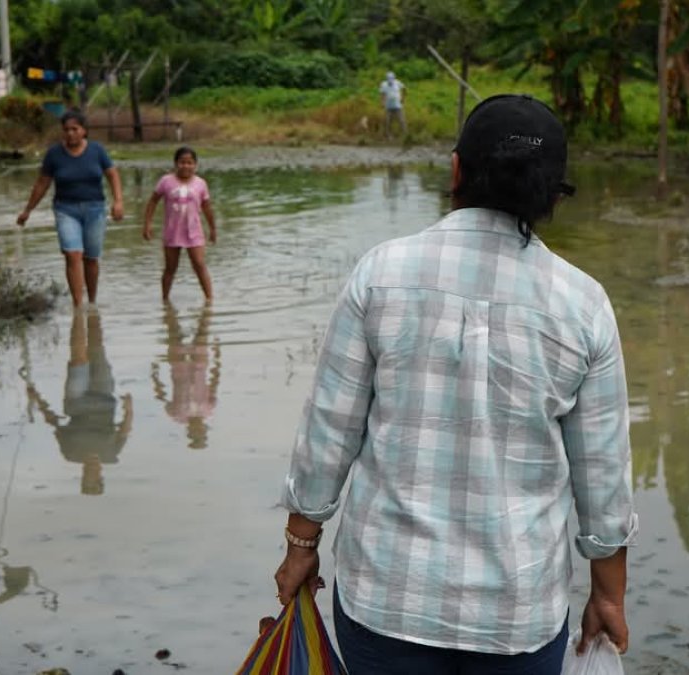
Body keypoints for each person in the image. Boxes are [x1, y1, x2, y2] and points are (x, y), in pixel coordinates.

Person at [273, 95, 638, 674]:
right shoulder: (583, 305)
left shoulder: (380, 274)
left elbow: (329, 431)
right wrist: (609, 596)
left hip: (385, 601)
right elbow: (603, 475)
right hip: (517, 616)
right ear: (552, 194)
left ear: (456, 171)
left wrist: (301, 546)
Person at [17, 110, 124, 308]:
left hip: (95, 209)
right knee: (72, 254)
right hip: (65, 210)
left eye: (75, 129)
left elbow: (113, 175)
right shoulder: (54, 154)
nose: (70, 133)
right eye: (66, 130)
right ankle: (78, 306)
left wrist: (118, 201)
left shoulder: (97, 151)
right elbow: (42, 184)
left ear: (84, 131)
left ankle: (92, 302)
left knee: (91, 258)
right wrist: (27, 210)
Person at [24, 310, 133, 496]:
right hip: (104, 395)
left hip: (76, 400)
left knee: (79, 358)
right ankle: (92, 313)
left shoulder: (70, 453)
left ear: (83, 475)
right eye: (94, 477)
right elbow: (124, 429)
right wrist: (129, 409)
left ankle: (78, 313)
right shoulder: (111, 455)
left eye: (88, 477)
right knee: (97, 346)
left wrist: (37, 399)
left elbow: (54, 423)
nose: (91, 471)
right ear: (101, 475)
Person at [142, 146, 217, 302]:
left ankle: (209, 300)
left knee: (199, 264)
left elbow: (207, 207)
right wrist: (147, 224)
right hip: (172, 231)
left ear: (195, 165)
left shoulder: (200, 183)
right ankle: (165, 300)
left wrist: (212, 228)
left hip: (194, 231)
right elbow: (153, 201)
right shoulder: (166, 181)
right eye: (182, 162)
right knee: (170, 268)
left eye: (190, 163)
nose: (186, 166)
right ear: (176, 163)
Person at [151, 304, 220, 449]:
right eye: (201, 431)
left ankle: (169, 309)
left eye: (197, 432)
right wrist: (217, 359)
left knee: (173, 330)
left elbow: (161, 396)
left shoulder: (177, 414)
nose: (199, 428)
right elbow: (214, 383)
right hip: (199, 364)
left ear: (189, 431)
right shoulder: (208, 410)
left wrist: (155, 376)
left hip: (178, 365)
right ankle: (203, 309)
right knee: (203, 330)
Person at [378, 71, 406, 139]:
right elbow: (382, 94)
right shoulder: (383, 84)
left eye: (391, 79)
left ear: (394, 78)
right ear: (386, 79)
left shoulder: (398, 82)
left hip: (398, 105)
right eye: (388, 79)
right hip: (388, 106)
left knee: (401, 120)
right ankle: (388, 135)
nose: (390, 81)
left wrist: (403, 98)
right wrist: (382, 102)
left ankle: (405, 135)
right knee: (388, 121)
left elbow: (404, 89)